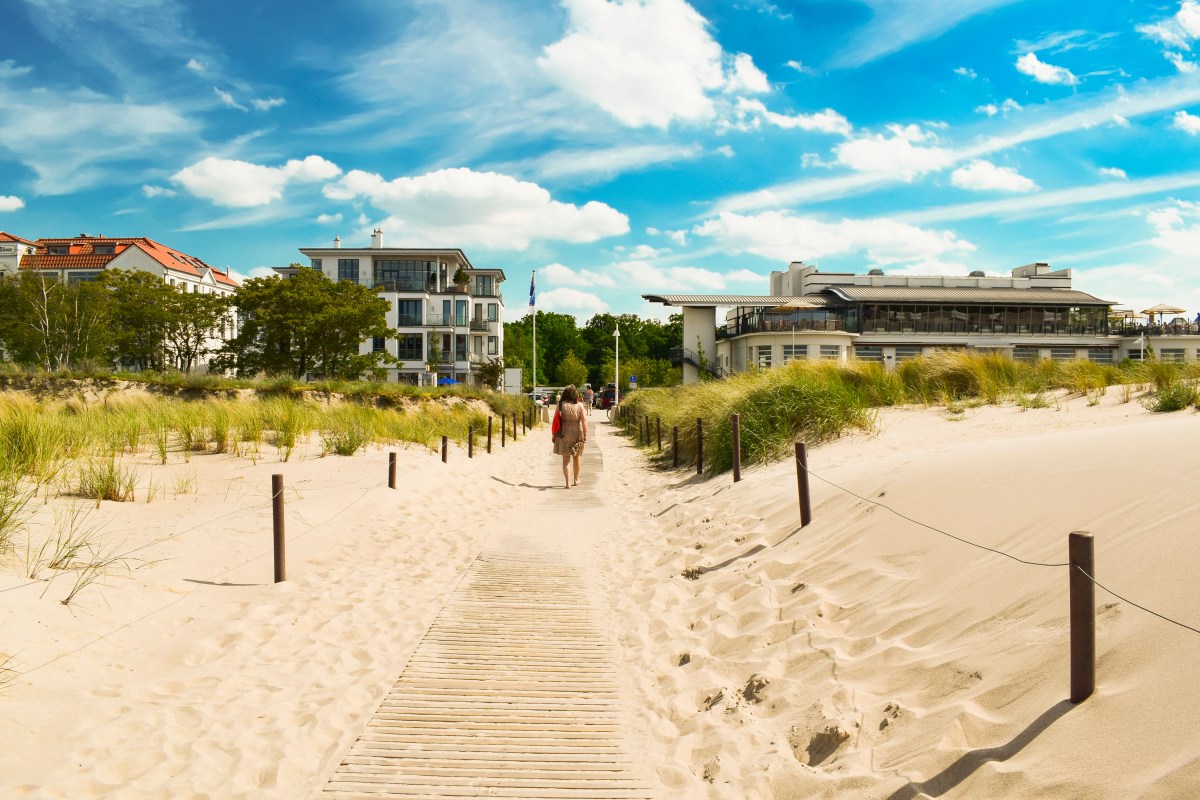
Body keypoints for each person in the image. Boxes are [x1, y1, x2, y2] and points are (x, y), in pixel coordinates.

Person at [552, 384, 588, 488]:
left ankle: (567, 482)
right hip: (577, 433)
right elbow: (584, 420)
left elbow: (555, 420)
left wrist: (554, 434)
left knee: (565, 459)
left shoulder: (560, 404)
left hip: (563, 433)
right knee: (576, 458)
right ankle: (576, 479)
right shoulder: (580, 405)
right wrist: (585, 434)